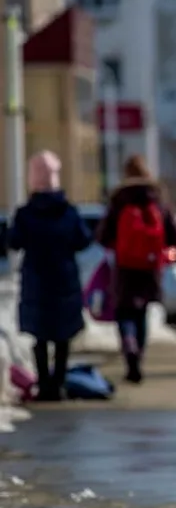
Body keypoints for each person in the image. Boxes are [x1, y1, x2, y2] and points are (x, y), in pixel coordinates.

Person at [7, 151, 93, 401]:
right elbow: (84, 240)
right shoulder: (68, 212)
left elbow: (13, 241)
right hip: (64, 278)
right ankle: (59, 383)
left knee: (40, 335)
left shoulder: (26, 214)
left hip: (36, 280)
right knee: (63, 336)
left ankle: (44, 384)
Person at [97, 154, 176, 384]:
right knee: (142, 312)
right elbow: (172, 235)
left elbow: (104, 235)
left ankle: (129, 348)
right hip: (151, 265)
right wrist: (171, 256)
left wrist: (114, 247)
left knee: (124, 312)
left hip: (124, 266)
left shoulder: (120, 198)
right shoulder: (157, 197)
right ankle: (140, 355)